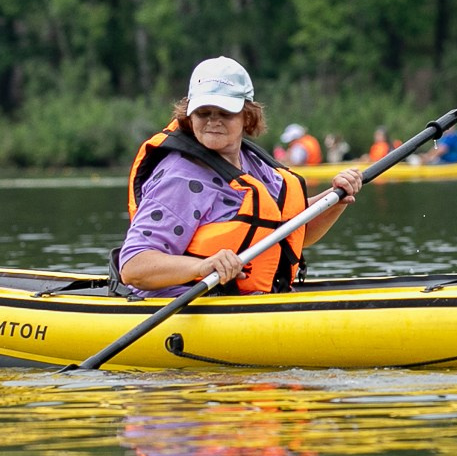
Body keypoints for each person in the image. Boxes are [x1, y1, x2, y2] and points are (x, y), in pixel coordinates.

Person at [119, 57, 362, 294]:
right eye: (204, 112)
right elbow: (133, 266)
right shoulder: (180, 179)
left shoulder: (256, 165)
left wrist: (336, 198)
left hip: (253, 300)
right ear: (189, 116)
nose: (213, 121)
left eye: (225, 112)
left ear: (247, 116)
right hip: (185, 308)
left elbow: (290, 229)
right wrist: (202, 267)